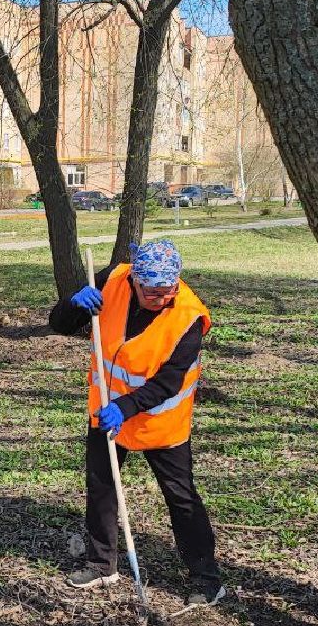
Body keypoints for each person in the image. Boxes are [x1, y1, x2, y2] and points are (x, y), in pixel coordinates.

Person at [48, 238, 223, 606]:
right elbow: (60, 324)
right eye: (152, 292)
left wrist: (127, 407)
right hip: (107, 410)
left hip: (161, 422)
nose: (160, 299)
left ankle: (206, 577)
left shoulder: (188, 317)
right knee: (101, 485)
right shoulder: (113, 280)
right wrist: (73, 303)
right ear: (135, 282)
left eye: (167, 292)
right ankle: (102, 563)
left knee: (181, 497)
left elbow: (168, 382)